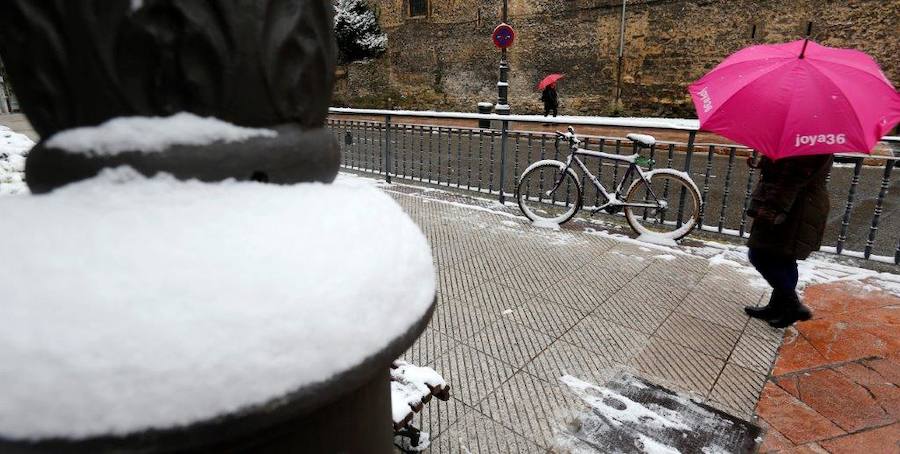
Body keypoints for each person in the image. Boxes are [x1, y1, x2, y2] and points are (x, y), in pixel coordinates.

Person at [743, 153, 833, 328]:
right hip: (797, 203)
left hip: (793, 208)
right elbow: (786, 169)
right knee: (783, 258)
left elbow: (792, 178)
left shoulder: (806, 143)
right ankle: (777, 306)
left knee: (759, 254)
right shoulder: (810, 139)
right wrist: (762, 163)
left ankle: (792, 305)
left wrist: (772, 209)